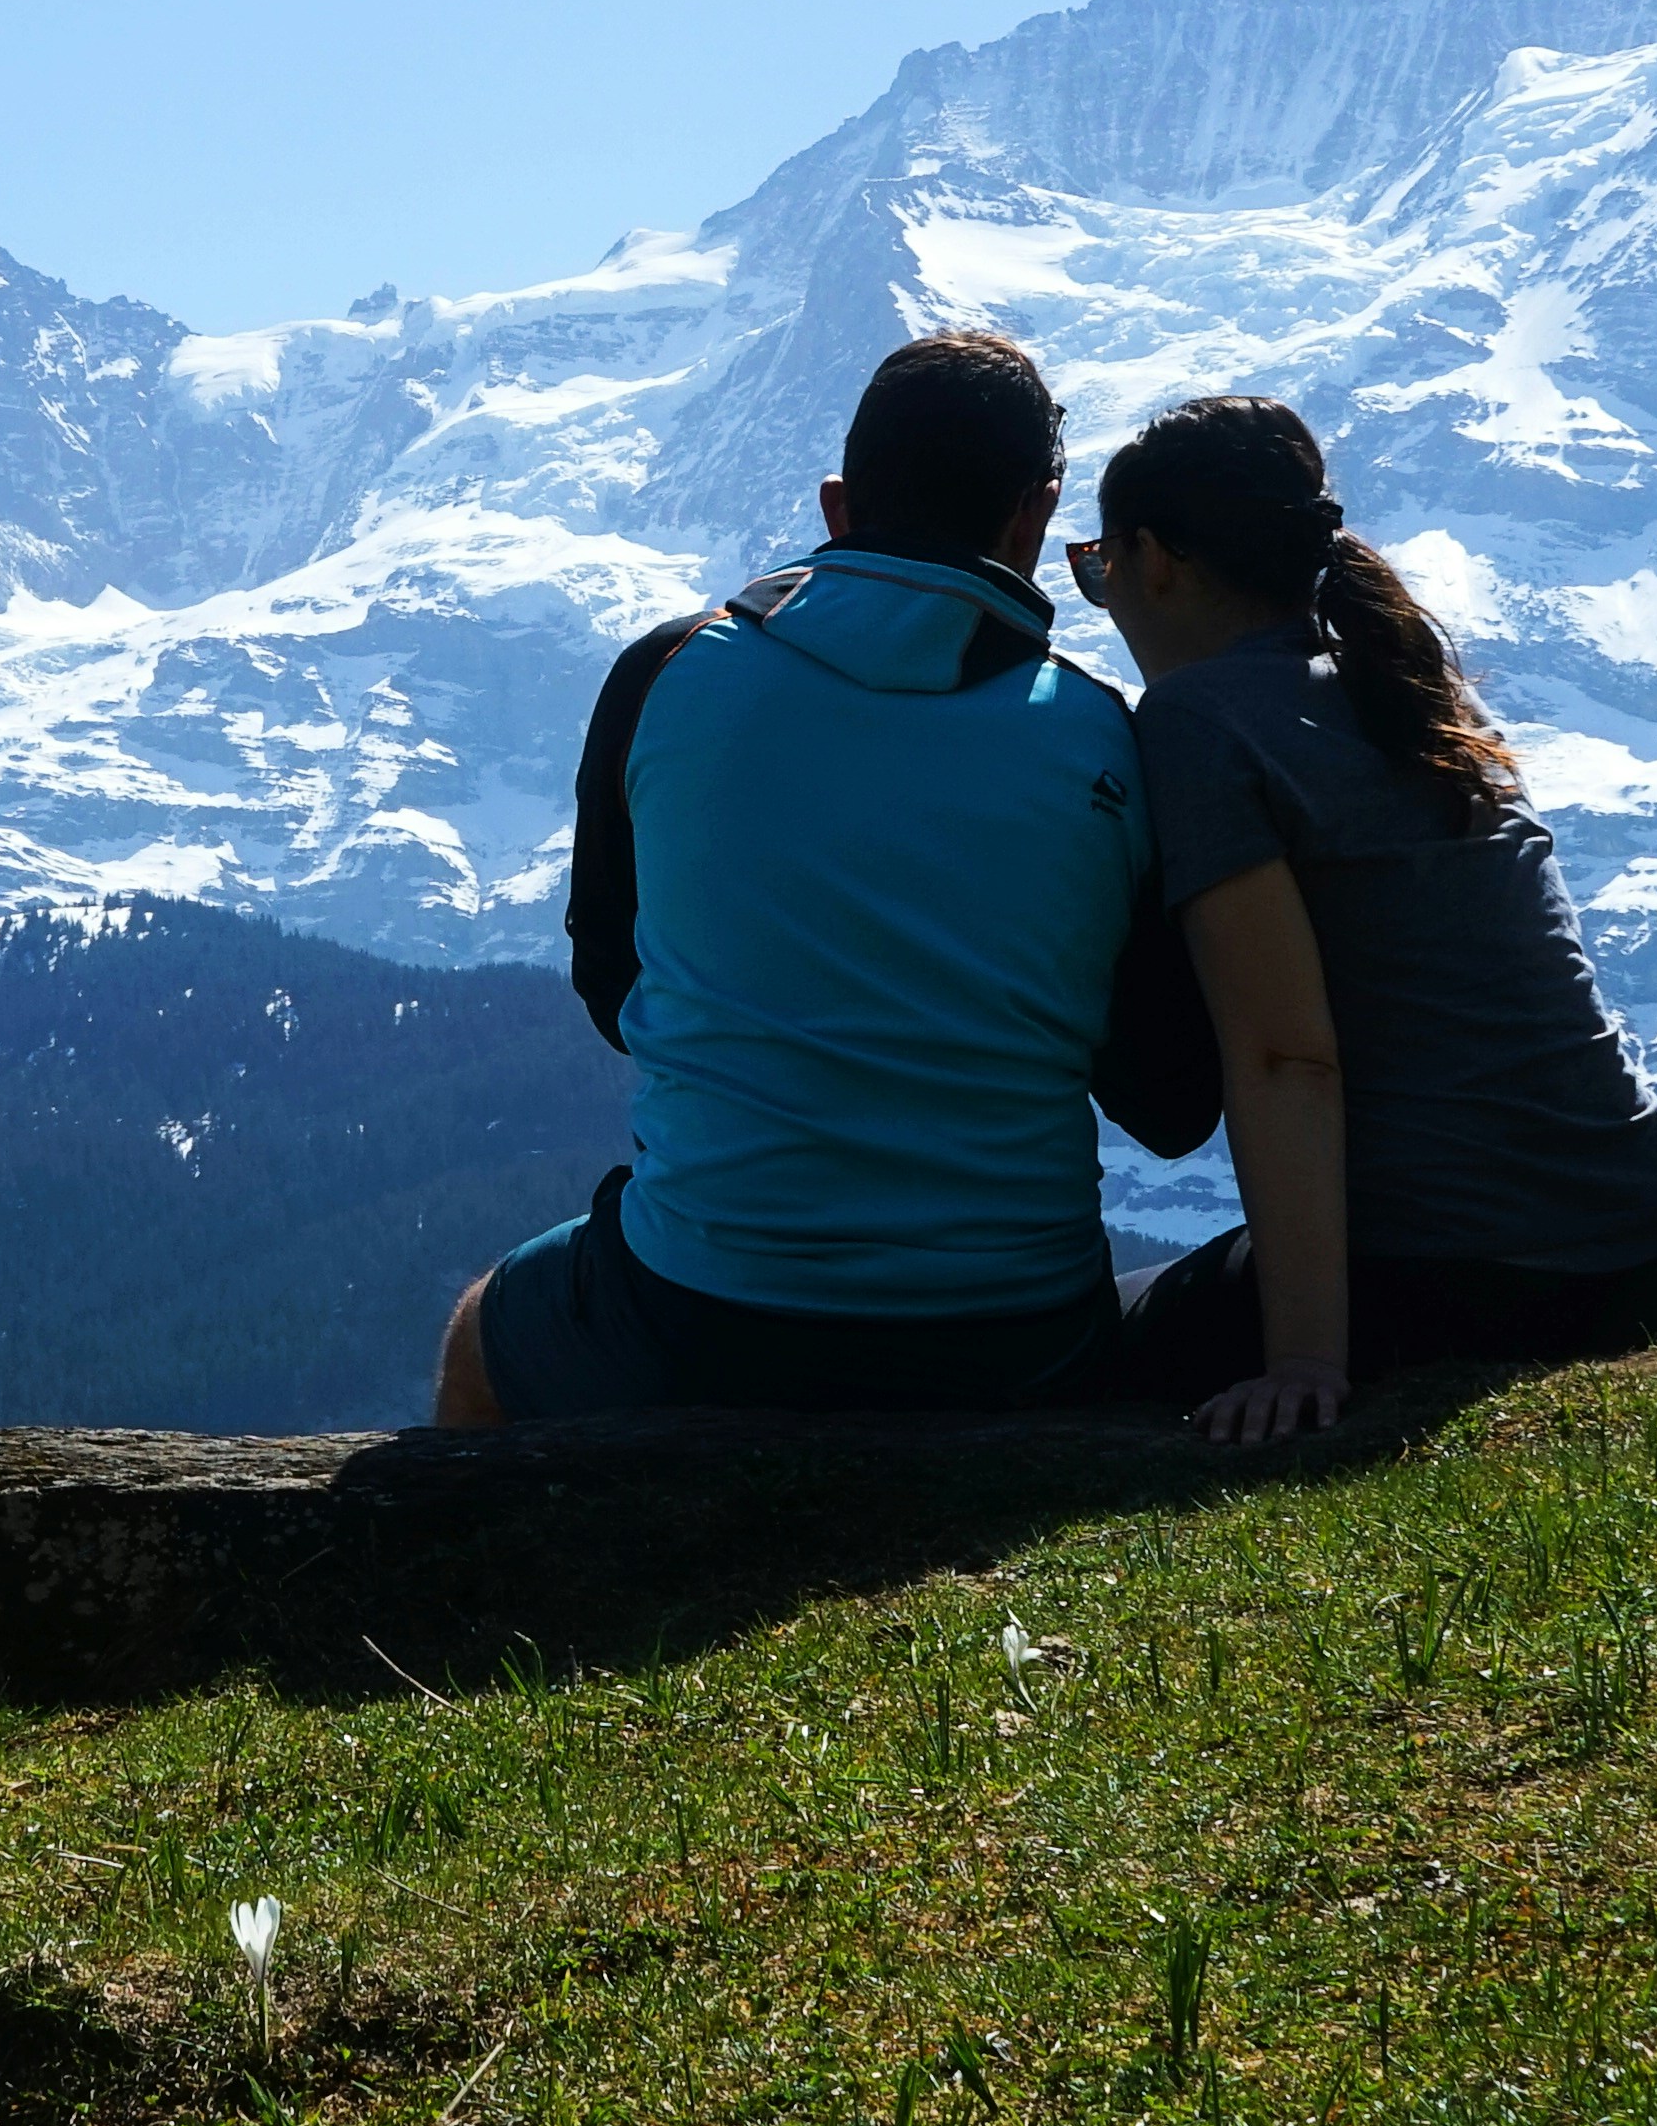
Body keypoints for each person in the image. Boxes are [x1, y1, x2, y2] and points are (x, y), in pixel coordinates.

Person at [431, 330, 1218, 1425]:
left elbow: (616, 991)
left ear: (838, 505)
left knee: (483, 1330)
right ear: (1036, 515)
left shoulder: (668, 672)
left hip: (701, 1316)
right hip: (1020, 1336)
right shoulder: (1101, 734)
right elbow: (1173, 1104)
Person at [1074, 393, 1657, 1438]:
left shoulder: (1200, 720)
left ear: (1155, 560)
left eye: (1097, 564)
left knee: (1098, 1338)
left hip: (1465, 1282)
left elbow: (1289, 1058)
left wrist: (1300, 1360)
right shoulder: (1420, 692)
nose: (1104, 591)